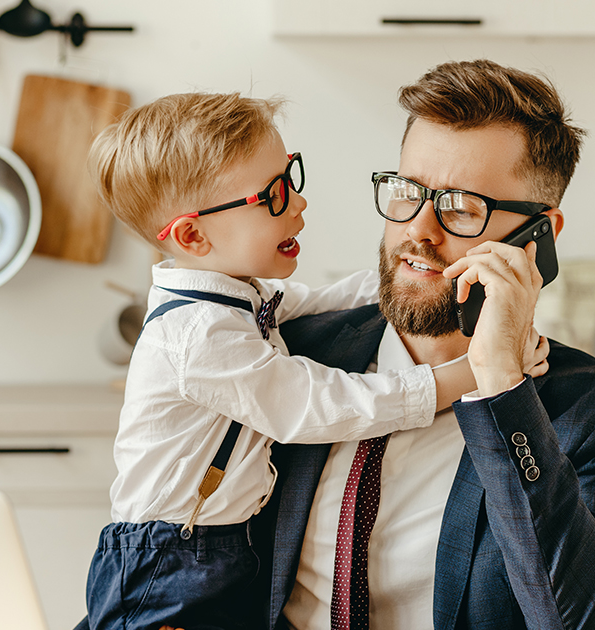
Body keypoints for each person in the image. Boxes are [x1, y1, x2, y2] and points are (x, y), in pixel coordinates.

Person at [82, 92, 549, 630]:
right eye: (274, 195)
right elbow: (314, 406)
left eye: (291, 177)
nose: (299, 204)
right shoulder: (198, 336)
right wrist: (477, 373)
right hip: (168, 564)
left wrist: (420, 270)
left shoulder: (236, 297)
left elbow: (325, 297)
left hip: (211, 550)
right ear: (192, 235)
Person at [253, 60, 595, 630]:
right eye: (407, 193)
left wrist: (503, 385)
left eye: (461, 207)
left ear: (538, 235)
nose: (418, 231)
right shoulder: (287, 353)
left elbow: (580, 622)